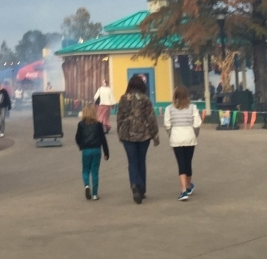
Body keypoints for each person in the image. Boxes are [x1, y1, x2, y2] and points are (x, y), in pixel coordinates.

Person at [116, 74, 159, 204]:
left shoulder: (123, 99)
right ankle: (142, 189)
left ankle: (134, 184)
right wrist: (155, 135)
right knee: (141, 161)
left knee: (132, 162)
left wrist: (120, 133)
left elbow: (120, 117)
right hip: (143, 135)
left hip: (127, 135)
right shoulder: (145, 99)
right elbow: (150, 118)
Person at [164, 86, 200, 201]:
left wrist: (171, 134)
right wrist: (194, 133)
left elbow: (167, 124)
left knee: (181, 163)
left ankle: (183, 190)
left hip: (176, 138)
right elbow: (197, 123)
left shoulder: (169, 109)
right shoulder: (192, 108)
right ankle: (189, 185)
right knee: (188, 161)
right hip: (190, 137)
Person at [75, 103, 109, 200]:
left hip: (86, 150)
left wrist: (81, 146)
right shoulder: (98, 124)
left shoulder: (81, 125)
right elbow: (103, 139)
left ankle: (86, 186)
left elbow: (77, 137)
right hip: (96, 150)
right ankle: (94, 194)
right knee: (95, 171)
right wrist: (106, 153)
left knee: (85, 170)